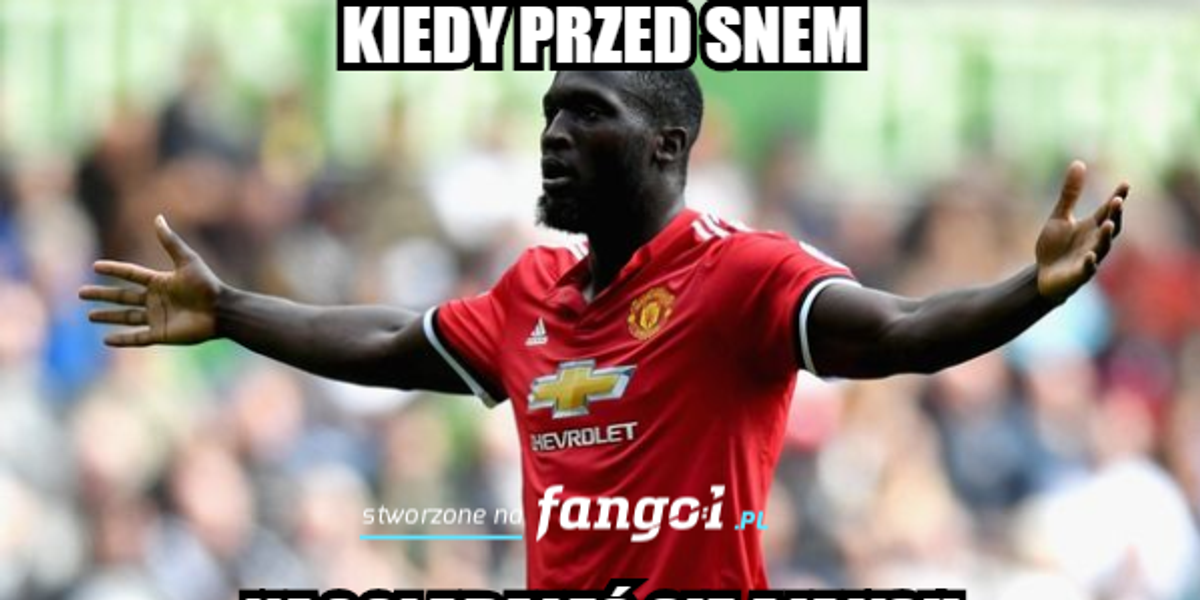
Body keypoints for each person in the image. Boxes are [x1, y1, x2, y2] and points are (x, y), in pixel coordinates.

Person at [79, 70, 1128, 591]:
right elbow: (393, 339)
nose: (554, 135)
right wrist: (231, 310)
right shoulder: (533, 291)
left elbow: (899, 329)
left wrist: (1028, 294)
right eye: (549, 113)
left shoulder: (741, 274)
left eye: (587, 115)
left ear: (667, 145)